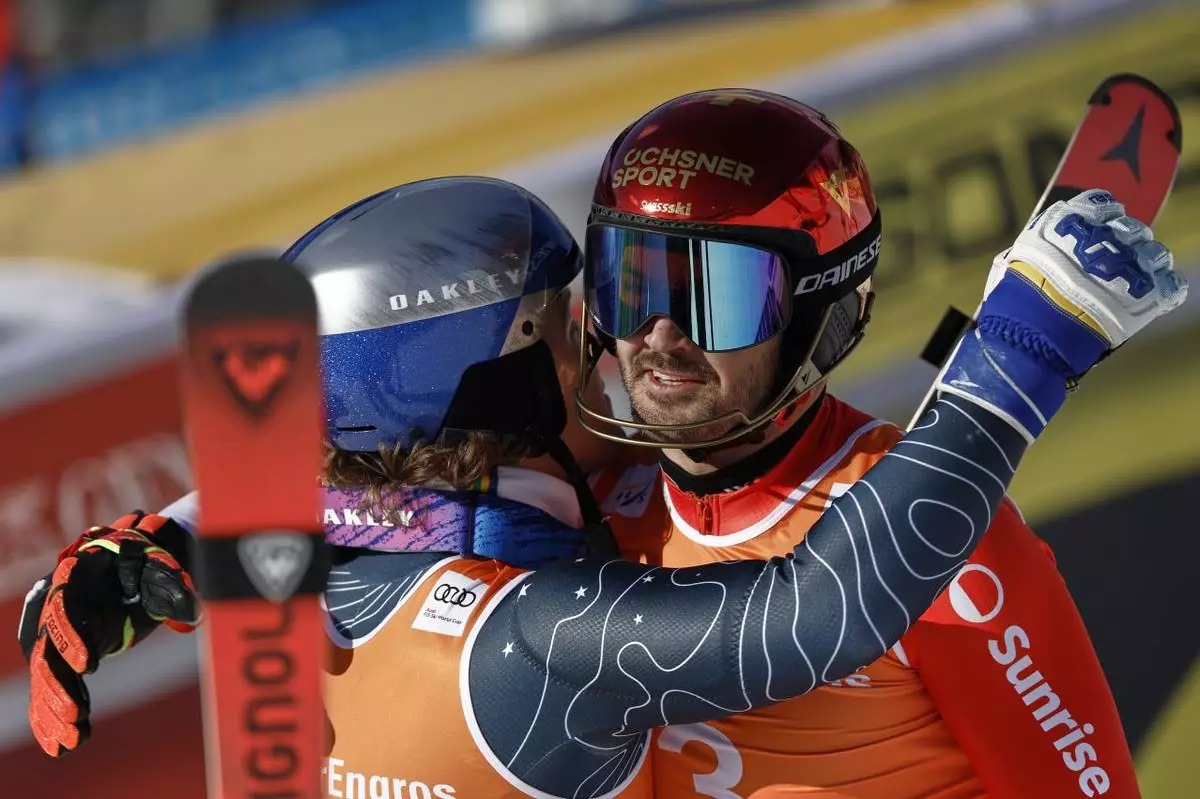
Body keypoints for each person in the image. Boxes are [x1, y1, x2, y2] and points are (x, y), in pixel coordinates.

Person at [19, 160, 1180, 797]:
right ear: (494, 382)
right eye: (576, 324)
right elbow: (820, 611)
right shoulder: (521, 635)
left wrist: (155, 543)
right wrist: (1023, 348)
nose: (621, 347)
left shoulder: (313, 571)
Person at [573, 88, 1183, 798]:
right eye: (633, 283)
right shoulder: (597, 515)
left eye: (718, 296)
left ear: (818, 316)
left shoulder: (944, 543)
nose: (661, 336)